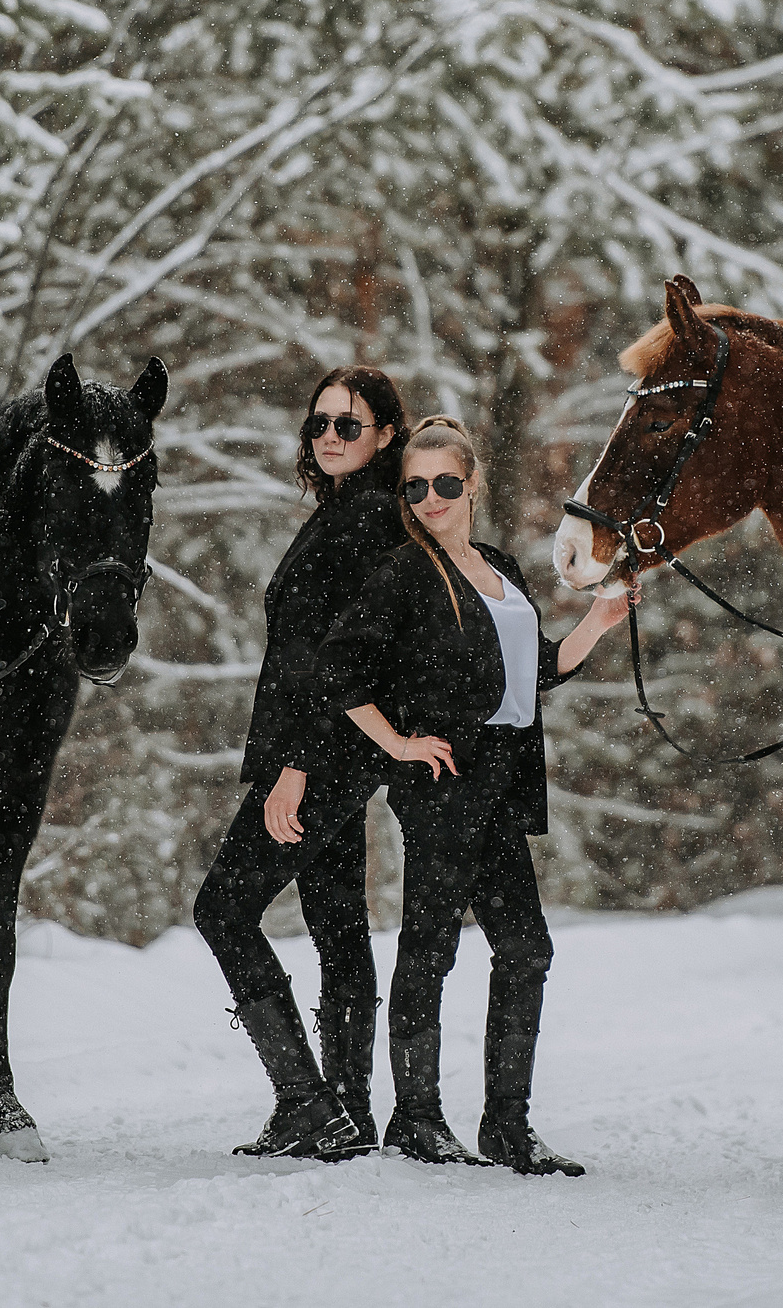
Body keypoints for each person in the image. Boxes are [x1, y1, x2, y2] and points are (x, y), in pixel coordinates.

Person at [317, 415, 636, 1174]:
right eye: (416, 486)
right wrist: (396, 742)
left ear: (473, 484)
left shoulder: (497, 567)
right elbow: (337, 669)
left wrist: (598, 618)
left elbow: (532, 673)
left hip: (502, 781)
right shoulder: (404, 571)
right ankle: (416, 1119)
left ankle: (506, 1127)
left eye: (446, 483)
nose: (430, 497)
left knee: (526, 949)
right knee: (429, 948)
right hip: (443, 782)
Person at [191, 365, 415, 1161]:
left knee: (222, 909)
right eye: (318, 423)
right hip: (337, 755)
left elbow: (336, 662)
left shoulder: (364, 522)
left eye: (348, 425)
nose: (327, 436)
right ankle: (344, 1109)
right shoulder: (352, 514)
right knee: (337, 923)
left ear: (386, 433)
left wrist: (295, 766)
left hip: (318, 754)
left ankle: (306, 1101)